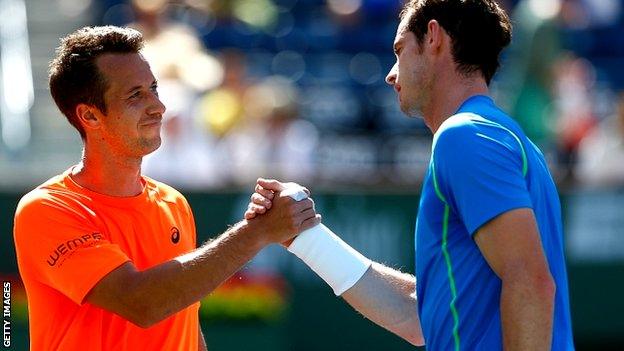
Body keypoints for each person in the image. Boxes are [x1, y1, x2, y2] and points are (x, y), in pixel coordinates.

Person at [247, 0, 574, 349]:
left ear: (433, 37)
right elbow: (419, 316)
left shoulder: (464, 135)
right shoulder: (506, 141)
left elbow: (530, 282)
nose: (391, 74)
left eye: (400, 50)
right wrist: (305, 236)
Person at [12, 26, 320, 350]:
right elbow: (141, 304)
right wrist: (256, 233)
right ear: (90, 115)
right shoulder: (47, 209)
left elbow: (182, 319)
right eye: (135, 95)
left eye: (153, 89)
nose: (158, 106)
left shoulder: (173, 202)